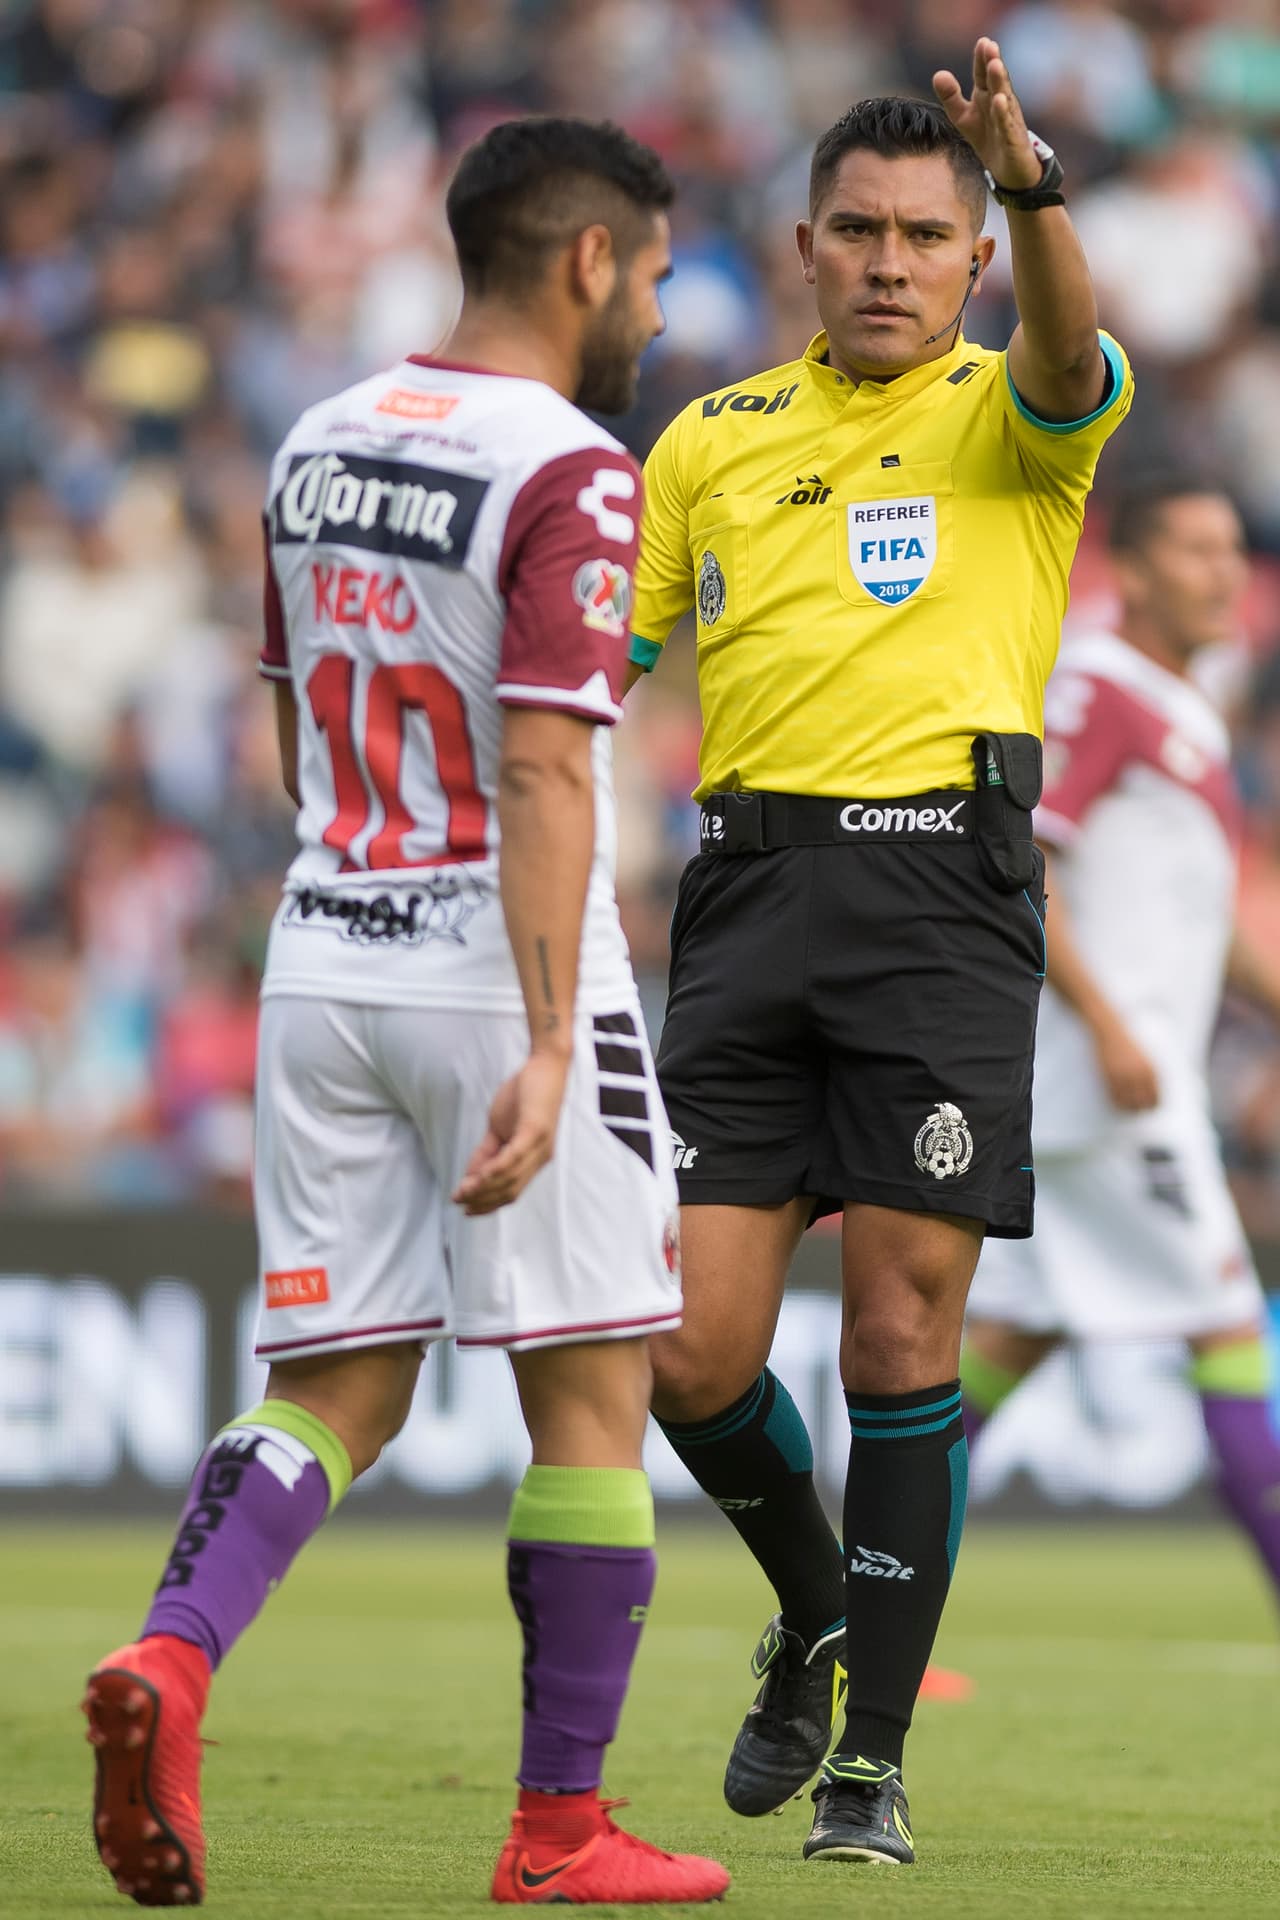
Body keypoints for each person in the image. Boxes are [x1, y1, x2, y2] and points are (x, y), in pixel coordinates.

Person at [80, 115, 730, 1910]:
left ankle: (177, 1655)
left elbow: (285, 724)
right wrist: (541, 1031)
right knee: (593, 1397)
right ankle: (560, 1833)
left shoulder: (319, 432)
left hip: (324, 950)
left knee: (335, 1385)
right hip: (497, 970)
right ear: (589, 260)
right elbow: (541, 765)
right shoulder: (574, 468)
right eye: (658, 275)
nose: (660, 310)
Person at [627, 41, 1132, 1867]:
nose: (895, 262)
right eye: (861, 231)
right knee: (684, 1354)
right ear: (803, 246)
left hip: (940, 897)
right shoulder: (707, 440)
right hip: (748, 898)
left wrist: (1035, 182)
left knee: (908, 1333)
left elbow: (1076, 359)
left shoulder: (1022, 411)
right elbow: (597, 669)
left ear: (974, 257)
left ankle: (872, 1762)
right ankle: (824, 1608)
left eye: (930, 234)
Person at [965, 477, 1280, 1605]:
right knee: (1227, 1322)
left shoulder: (1185, 709)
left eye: (1231, 549)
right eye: (1192, 549)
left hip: (1110, 1080)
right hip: (1106, 1085)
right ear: (1133, 570)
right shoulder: (1097, 689)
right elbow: (1014, 865)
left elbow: (1194, 924)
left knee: (999, 1350)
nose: (1221, 572)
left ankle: (844, 1616)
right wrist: (1101, 1021)